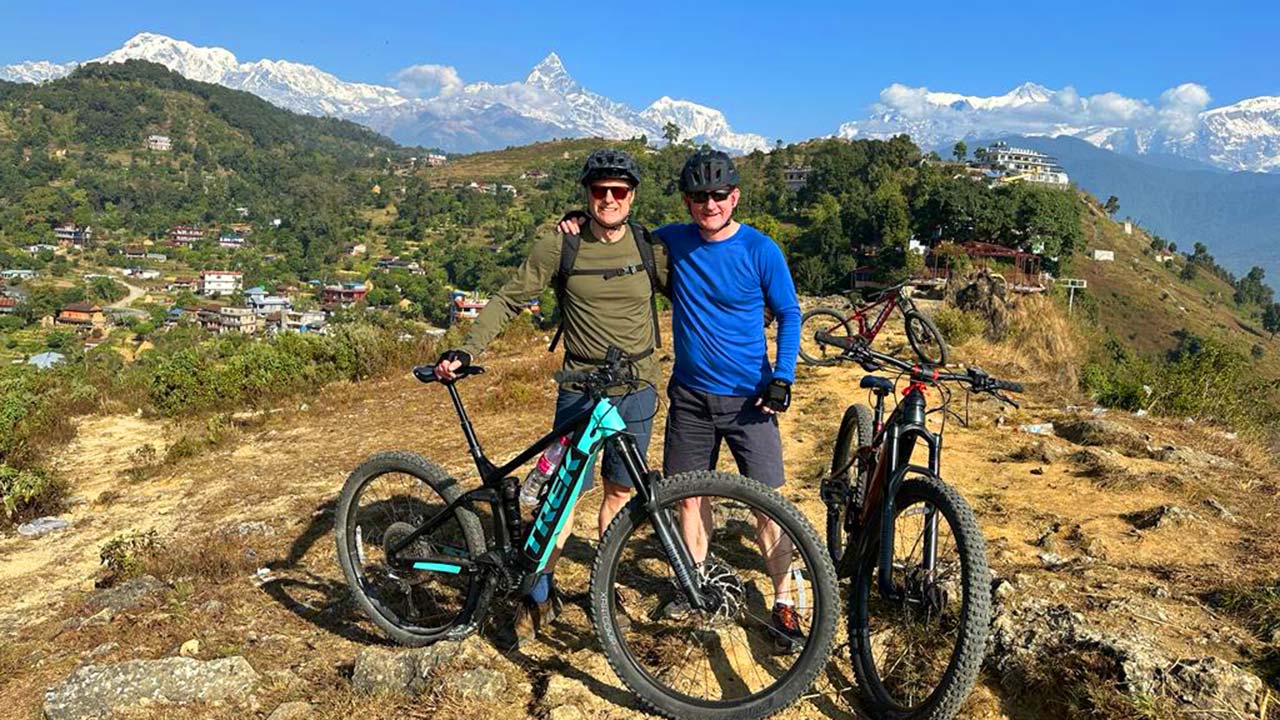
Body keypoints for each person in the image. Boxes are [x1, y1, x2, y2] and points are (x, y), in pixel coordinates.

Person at [560, 149, 805, 653]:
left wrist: (782, 377)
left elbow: (790, 313)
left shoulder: (762, 250)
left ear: (734, 197)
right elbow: (617, 231)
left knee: (768, 508)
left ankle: (784, 602)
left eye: (718, 195)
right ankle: (694, 587)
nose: (709, 204)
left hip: (750, 400)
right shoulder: (668, 242)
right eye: (698, 196)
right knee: (690, 500)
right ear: (687, 201)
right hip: (690, 399)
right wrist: (578, 219)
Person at [434, 149, 667, 650]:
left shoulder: (650, 246)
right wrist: (466, 348)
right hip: (581, 391)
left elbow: (699, 283)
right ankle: (538, 595)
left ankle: (603, 588)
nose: (609, 199)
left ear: (632, 197)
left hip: (639, 388)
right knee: (559, 501)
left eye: (619, 191)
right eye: (600, 191)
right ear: (587, 195)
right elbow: (510, 298)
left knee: (620, 493)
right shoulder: (559, 246)